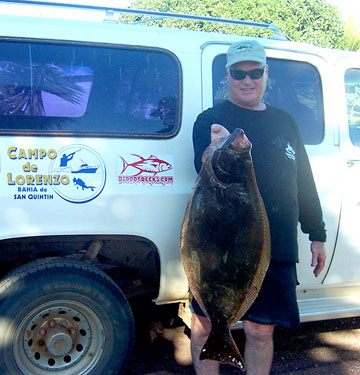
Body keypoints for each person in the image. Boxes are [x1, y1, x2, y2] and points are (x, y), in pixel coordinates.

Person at [191, 39, 327, 375]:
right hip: (218, 245)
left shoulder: (286, 122)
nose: (247, 80)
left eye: (254, 72)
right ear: (227, 76)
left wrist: (317, 232)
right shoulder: (211, 119)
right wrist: (217, 150)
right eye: (239, 72)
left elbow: (303, 180)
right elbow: (202, 166)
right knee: (206, 322)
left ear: (266, 74)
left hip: (274, 242)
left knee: (260, 328)